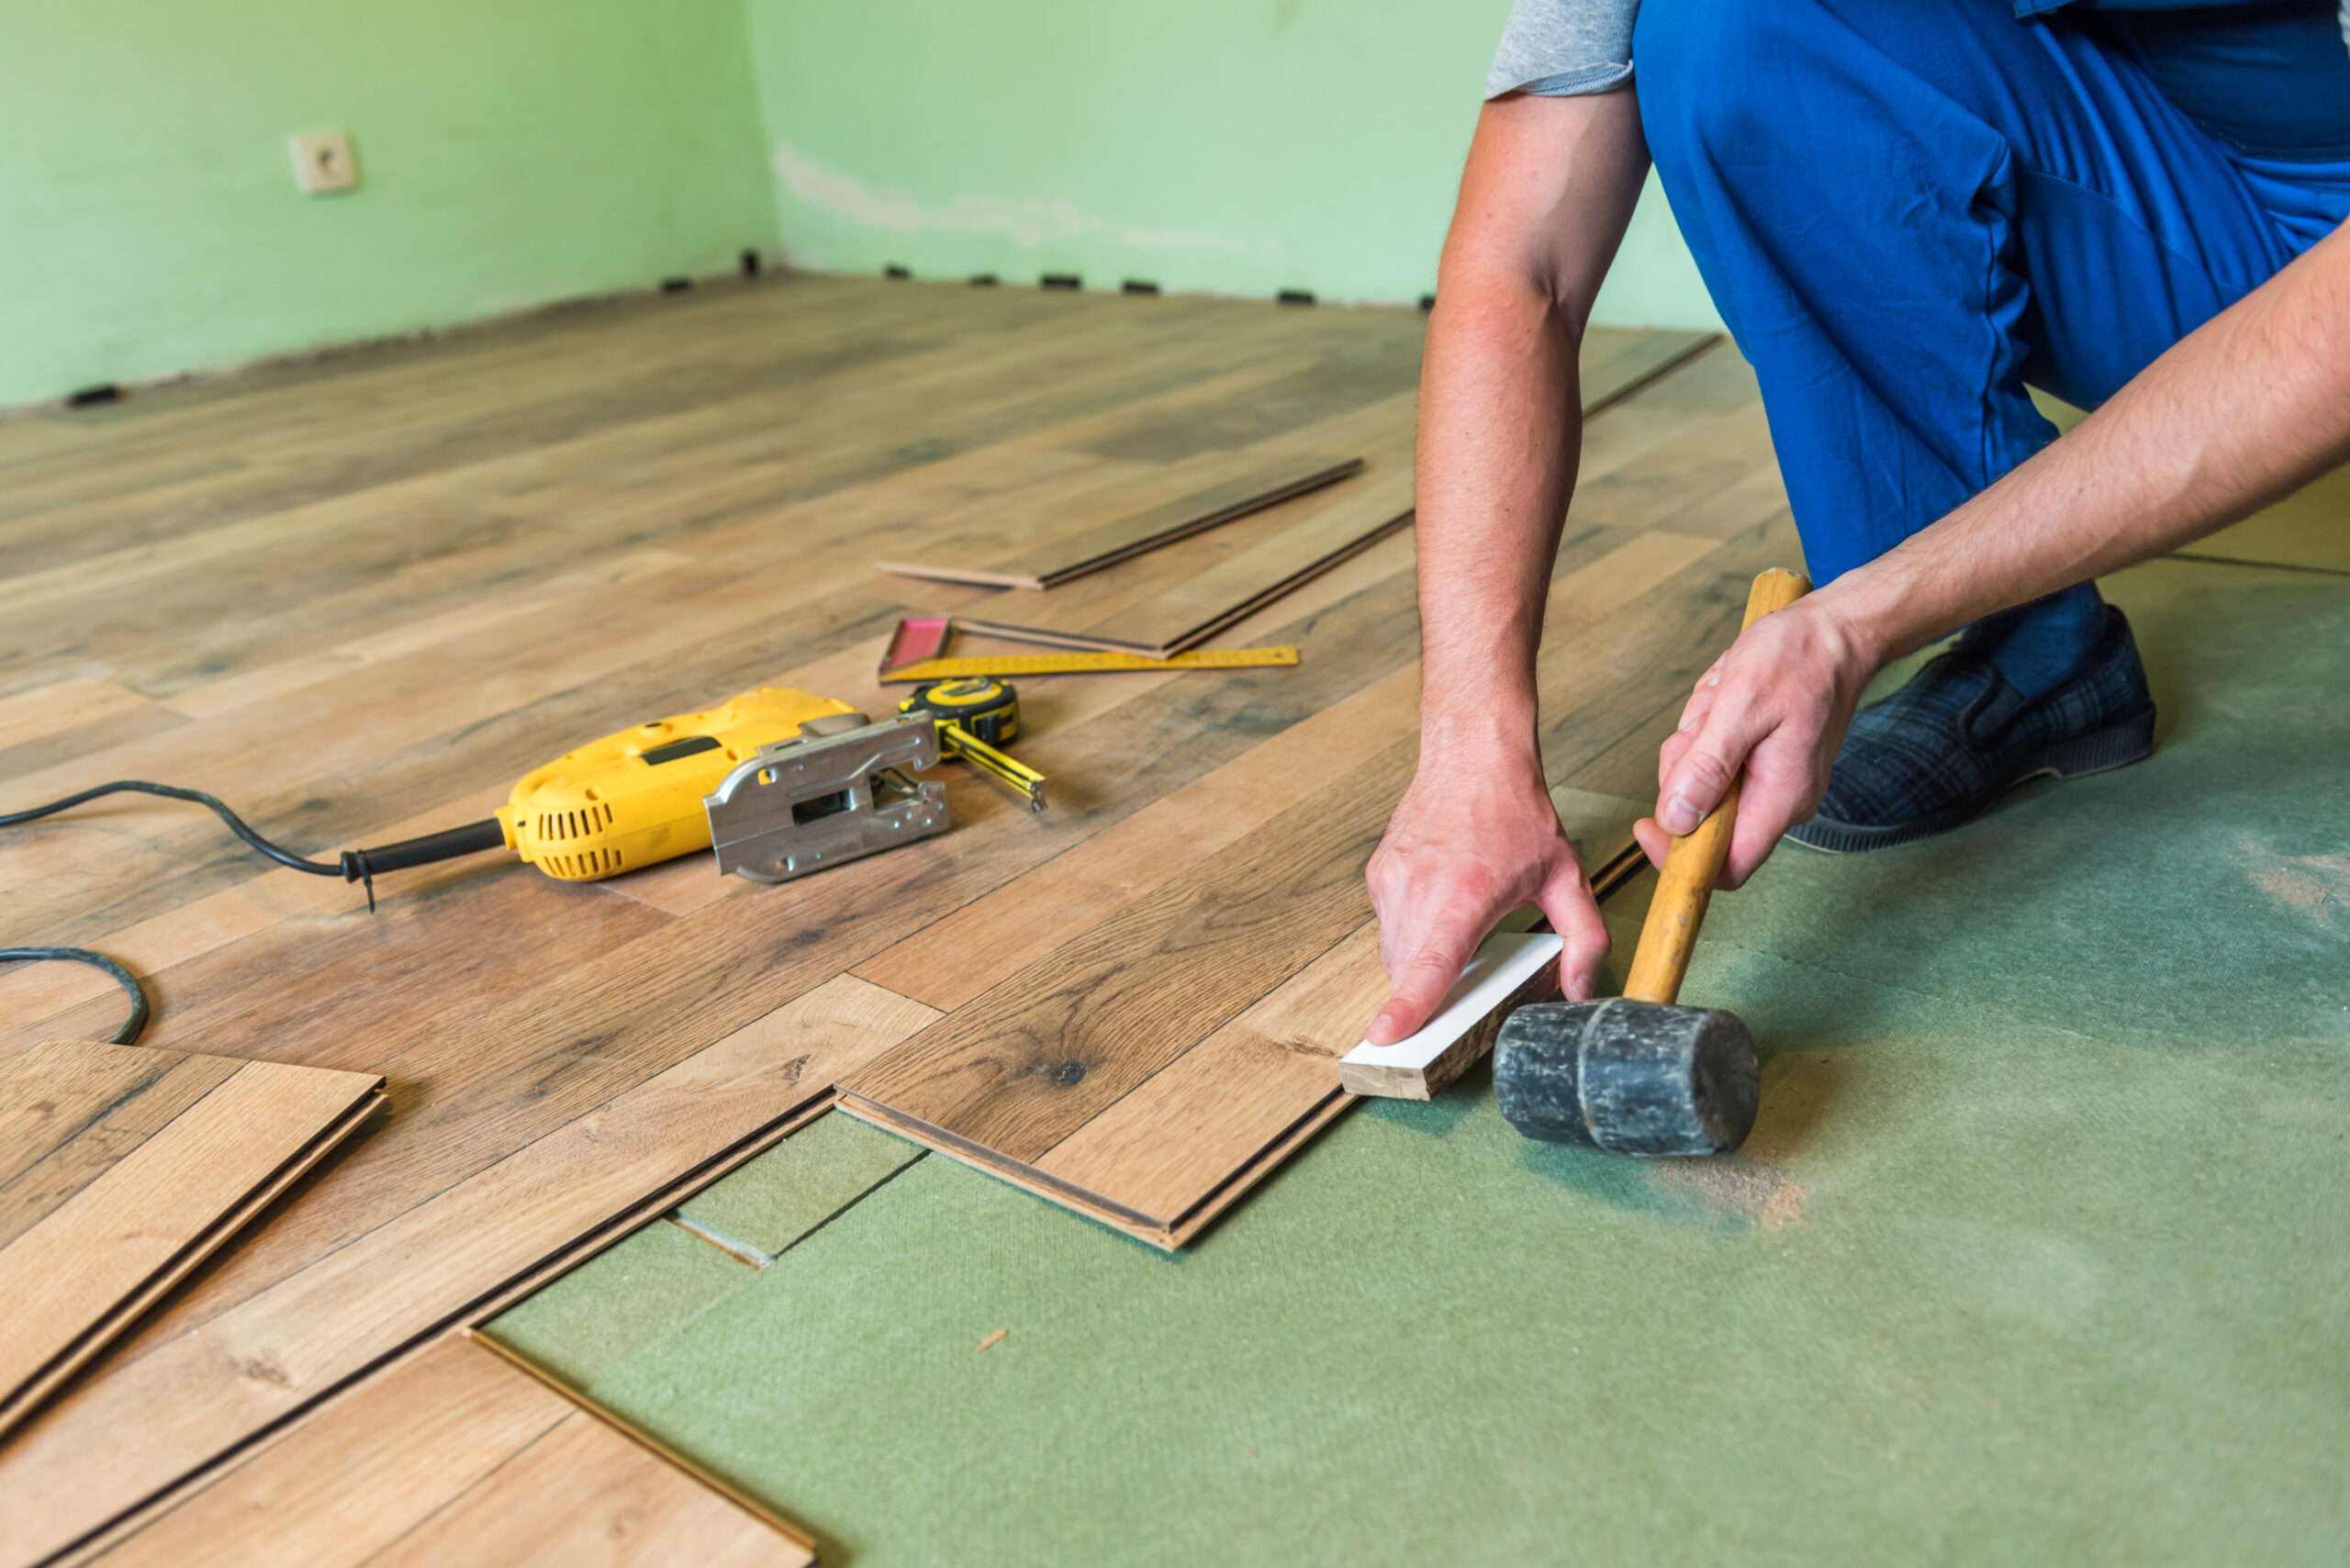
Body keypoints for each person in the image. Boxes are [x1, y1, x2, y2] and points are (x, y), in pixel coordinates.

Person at [1363, 0, 2350, 1045]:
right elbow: (1522, 264)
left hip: (2315, 225)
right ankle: (2031, 649)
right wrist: (1470, 755)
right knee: (1728, 31)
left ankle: (1960, 591)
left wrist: (1858, 619)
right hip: (2164, 195)